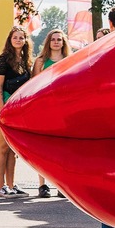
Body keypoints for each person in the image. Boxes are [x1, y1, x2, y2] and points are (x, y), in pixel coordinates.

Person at [0, 26, 35, 197]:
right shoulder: (3, 60)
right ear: (10, 39)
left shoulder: (26, 61)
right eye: (15, 37)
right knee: (2, 147)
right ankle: (0, 187)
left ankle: (11, 185)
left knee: (12, 149)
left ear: (25, 40)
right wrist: (2, 110)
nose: (18, 40)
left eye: (21, 37)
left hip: (18, 110)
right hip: (4, 108)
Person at [32, 29, 73, 198]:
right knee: (43, 148)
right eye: (53, 39)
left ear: (64, 42)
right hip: (44, 107)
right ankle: (43, 185)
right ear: (48, 42)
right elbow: (33, 84)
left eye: (59, 39)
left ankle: (61, 185)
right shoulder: (41, 61)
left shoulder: (70, 60)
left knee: (62, 148)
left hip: (64, 108)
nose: (56, 42)